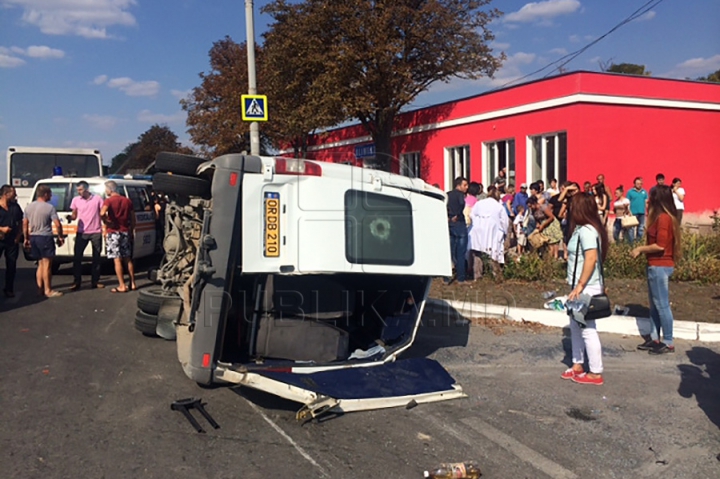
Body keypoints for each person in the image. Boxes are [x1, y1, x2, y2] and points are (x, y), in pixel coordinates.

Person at [561, 193, 609, 385]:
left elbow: (591, 258)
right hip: (579, 286)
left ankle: (596, 372)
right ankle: (577, 364)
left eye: (572, 206)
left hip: (586, 286)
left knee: (588, 328)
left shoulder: (588, 231)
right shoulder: (581, 229)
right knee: (575, 326)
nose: (570, 209)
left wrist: (580, 286)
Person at [631, 185, 682, 355]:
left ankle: (668, 341)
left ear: (657, 199)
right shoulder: (659, 217)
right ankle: (654, 338)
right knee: (654, 305)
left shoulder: (664, 219)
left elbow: (660, 245)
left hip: (660, 265)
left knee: (662, 305)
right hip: (655, 265)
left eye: (651, 197)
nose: (648, 200)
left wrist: (640, 249)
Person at [23, 185, 65, 298]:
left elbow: (25, 224)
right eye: (50, 194)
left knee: (40, 264)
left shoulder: (28, 207)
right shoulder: (49, 208)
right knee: (47, 265)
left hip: (34, 237)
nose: (51, 196)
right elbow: (57, 224)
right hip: (45, 237)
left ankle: (39, 288)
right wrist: (60, 236)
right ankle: (48, 290)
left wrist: (26, 238)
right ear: (45, 194)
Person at [101, 181, 137, 293]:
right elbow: (133, 218)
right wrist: (131, 229)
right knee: (127, 258)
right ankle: (132, 283)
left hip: (113, 232)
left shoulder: (108, 201)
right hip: (125, 231)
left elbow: (102, 213)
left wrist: (106, 222)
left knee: (117, 260)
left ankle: (122, 285)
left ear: (110, 189)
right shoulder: (127, 200)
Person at [69, 181, 105, 291]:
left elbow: (102, 213)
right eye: (78, 190)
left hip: (95, 231)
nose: (79, 192)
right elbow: (74, 215)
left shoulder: (97, 199)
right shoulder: (76, 200)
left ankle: (95, 281)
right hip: (82, 232)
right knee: (77, 257)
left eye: (80, 190)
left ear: (86, 189)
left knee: (96, 257)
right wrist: (70, 217)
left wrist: (106, 226)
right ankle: (77, 281)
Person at [469, 186, 508, 281]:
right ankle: (496, 275)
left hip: (478, 229)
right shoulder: (499, 206)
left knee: (477, 252)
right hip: (492, 230)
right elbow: (504, 221)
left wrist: (477, 222)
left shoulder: (480, 203)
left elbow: (471, 214)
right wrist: (504, 233)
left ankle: (477, 275)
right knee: (493, 251)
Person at [0, 185, 24, 297]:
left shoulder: (15, 207)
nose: (15, 195)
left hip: (12, 240)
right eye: (13, 193)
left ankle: (9, 289)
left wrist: (19, 235)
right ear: (6, 194)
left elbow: (20, 222)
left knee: (11, 265)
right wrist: (1, 229)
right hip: (0, 239)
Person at [445, 177, 468, 284]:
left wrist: (448, 217)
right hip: (459, 224)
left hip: (449, 224)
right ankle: (461, 278)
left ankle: (446, 277)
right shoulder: (460, 195)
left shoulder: (447, 194)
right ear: (458, 185)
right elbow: (462, 205)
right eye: (465, 185)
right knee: (461, 252)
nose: (466, 187)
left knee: (450, 252)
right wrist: (456, 215)